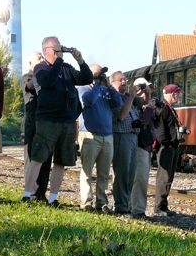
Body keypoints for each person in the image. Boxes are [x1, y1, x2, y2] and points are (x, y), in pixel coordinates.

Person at [22, 37, 93, 206]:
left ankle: (53, 198)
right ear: (47, 50)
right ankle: (27, 194)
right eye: (57, 49)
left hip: (67, 121)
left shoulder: (67, 68)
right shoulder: (40, 68)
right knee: (38, 158)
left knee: (61, 160)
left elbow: (86, 78)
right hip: (48, 120)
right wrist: (59, 61)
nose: (61, 52)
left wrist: (80, 61)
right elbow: (47, 82)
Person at [77, 64, 122, 213]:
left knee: (104, 173)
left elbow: (118, 103)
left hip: (107, 136)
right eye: (97, 74)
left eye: (101, 75)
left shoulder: (104, 90)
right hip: (90, 135)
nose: (100, 77)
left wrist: (109, 87)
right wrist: (96, 85)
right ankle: (86, 202)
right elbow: (88, 101)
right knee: (87, 171)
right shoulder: (83, 88)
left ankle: (101, 202)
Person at [110, 70, 142, 216]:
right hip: (121, 136)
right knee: (122, 172)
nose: (124, 82)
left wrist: (144, 91)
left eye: (125, 80)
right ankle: (121, 206)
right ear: (113, 83)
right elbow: (122, 116)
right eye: (120, 80)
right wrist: (131, 98)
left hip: (133, 136)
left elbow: (144, 103)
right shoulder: (114, 97)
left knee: (131, 173)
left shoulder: (127, 97)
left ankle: (126, 204)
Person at [21, 51, 50, 201]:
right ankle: (30, 192)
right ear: (30, 64)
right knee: (31, 158)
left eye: (42, 58)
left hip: (46, 123)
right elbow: (31, 86)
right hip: (32, 124)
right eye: (38, 58)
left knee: (46, 160)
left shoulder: (45, 77)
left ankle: (41, 193)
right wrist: (40, 69)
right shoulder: (28, 77)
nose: (41, 60)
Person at [153, 83, 184, 217]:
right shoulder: (163, 109)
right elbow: (160, 131)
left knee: (168, 177)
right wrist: (168, 143)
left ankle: (163, 206)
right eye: (177, 93)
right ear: (172, 94)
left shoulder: (170, 108)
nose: (178, 96)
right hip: (166, 147)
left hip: (172, 146)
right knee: (164, 177)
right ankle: (159, 207)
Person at [130, 77, 156, 219]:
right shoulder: (134, 105)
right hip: (139, 145)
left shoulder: (146, 107)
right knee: (139, 179)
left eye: (149, 90)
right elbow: (142, 122)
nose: (147, 93)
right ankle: (137, 209)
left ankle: (136, 207)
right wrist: (149, 109)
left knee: (142, 179)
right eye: (145, 90)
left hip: (146, 146)